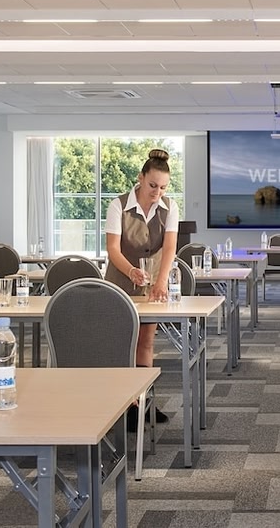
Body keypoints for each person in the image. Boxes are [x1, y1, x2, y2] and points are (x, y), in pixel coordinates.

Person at [104, 148, 178, 423]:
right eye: (153, 185)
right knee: (124, 342)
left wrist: (161, 282)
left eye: (163, 187)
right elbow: (113, 249)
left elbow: (169, 247)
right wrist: (131, 271)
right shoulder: (118, 205)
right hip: (121, 281)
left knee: (146, 341)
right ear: (141, 178)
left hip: (152, 283)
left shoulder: (170, 207)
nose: (157, 192)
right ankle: (124, 404)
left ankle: (143, 403)